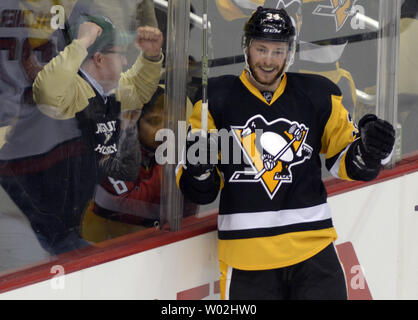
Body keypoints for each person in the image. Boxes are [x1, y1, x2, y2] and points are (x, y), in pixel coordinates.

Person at [176, 7, 395, 300]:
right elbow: (201, 191)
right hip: (247, 258)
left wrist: (372, 150)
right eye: (261, 49)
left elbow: (346, 162)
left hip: (314, 251)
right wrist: (198, 168)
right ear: (246, 48)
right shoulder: (215, 100)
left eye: (277, 51)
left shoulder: (318, 94)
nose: (268, 60)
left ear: (290, 53)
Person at [5, 14, 162, 255]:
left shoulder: (113, 90)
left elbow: (139, 87)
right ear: (98, 58)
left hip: (64, 225)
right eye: (119, 54)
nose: (124, 60)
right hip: (25, 216)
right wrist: (82, 43)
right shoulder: (73, 90)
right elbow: (49, 92)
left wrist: (151, 57)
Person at [80, 86, 197, 242]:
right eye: (153, 121)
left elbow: (188, 207)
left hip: (157, 243)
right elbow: (129, 210)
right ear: (133, 124)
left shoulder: (168, 150)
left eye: (170, 121)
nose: (164, 129)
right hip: (105, 246)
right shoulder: (112, 152)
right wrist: (171, 163)